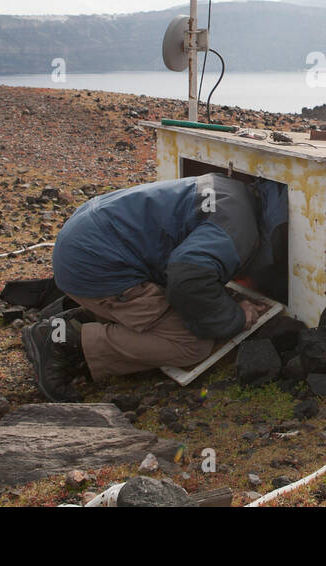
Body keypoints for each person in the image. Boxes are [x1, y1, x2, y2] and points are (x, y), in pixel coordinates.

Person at [23, 172, 286, 402]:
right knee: (191, 345)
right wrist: (236, 316)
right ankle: (64, 342)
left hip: (85, 241)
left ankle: (86, 317)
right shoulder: (242, 228)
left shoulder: (231, 190)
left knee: (185, 306)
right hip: (97, 266)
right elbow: (187, 277)